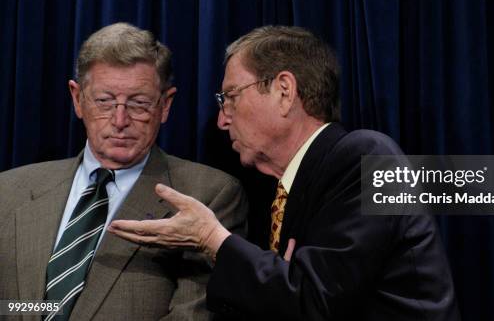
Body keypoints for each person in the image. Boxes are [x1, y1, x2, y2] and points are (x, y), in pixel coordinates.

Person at [110, 26, 459, 320]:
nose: (222, 119)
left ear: (284, 91)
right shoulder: (289, 192)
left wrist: (210, 238)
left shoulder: (369, 159)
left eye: (230, 96)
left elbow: (312, 300)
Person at [0, 23, 247, 320]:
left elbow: (194, 315)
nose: (119, 120)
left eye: (139, 104)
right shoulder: (9, 190)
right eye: (104, 101)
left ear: (165, 105)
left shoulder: (208, 194)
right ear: (77, 99)